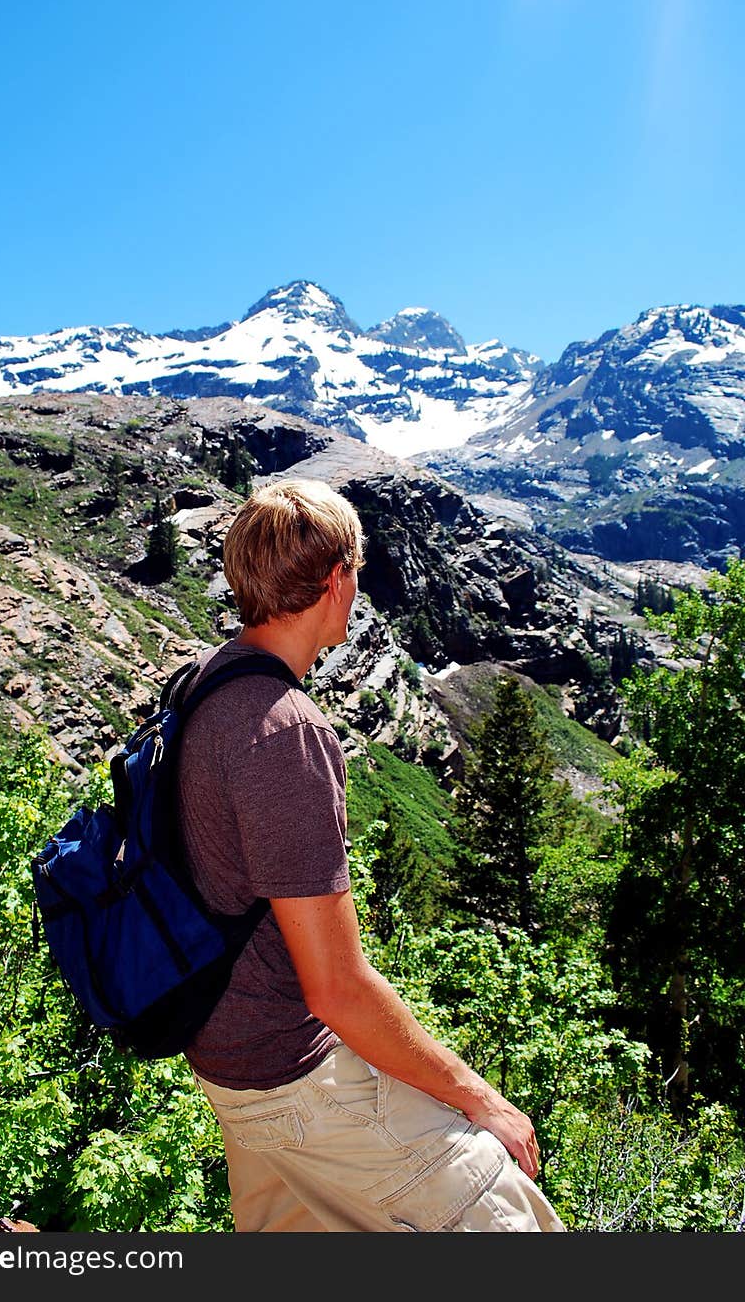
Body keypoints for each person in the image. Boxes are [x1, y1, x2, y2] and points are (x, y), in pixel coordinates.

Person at [176, 476, 565, 1233]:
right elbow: (337, 988)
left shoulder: (208, 680)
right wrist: (478, 1096)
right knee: (514, 1222)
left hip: (230, 1071)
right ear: (334, 581)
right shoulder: (284, 732)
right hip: (301, 1077)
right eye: (357, 567)